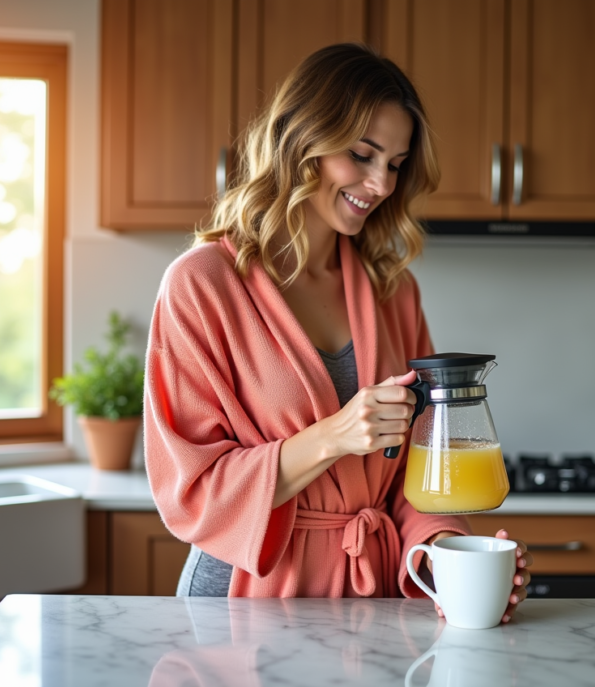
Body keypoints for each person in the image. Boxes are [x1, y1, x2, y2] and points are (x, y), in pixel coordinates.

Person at [144, 43, 529, 619]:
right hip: (241, 594)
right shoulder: (202, 285)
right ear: (304, 141)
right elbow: (192, 489)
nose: (380, 184)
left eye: (396, 164)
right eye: (362, 154)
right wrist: (335, 435)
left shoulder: (393, 292)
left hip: (367, 596)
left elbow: (414, 472)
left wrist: (445, 557)